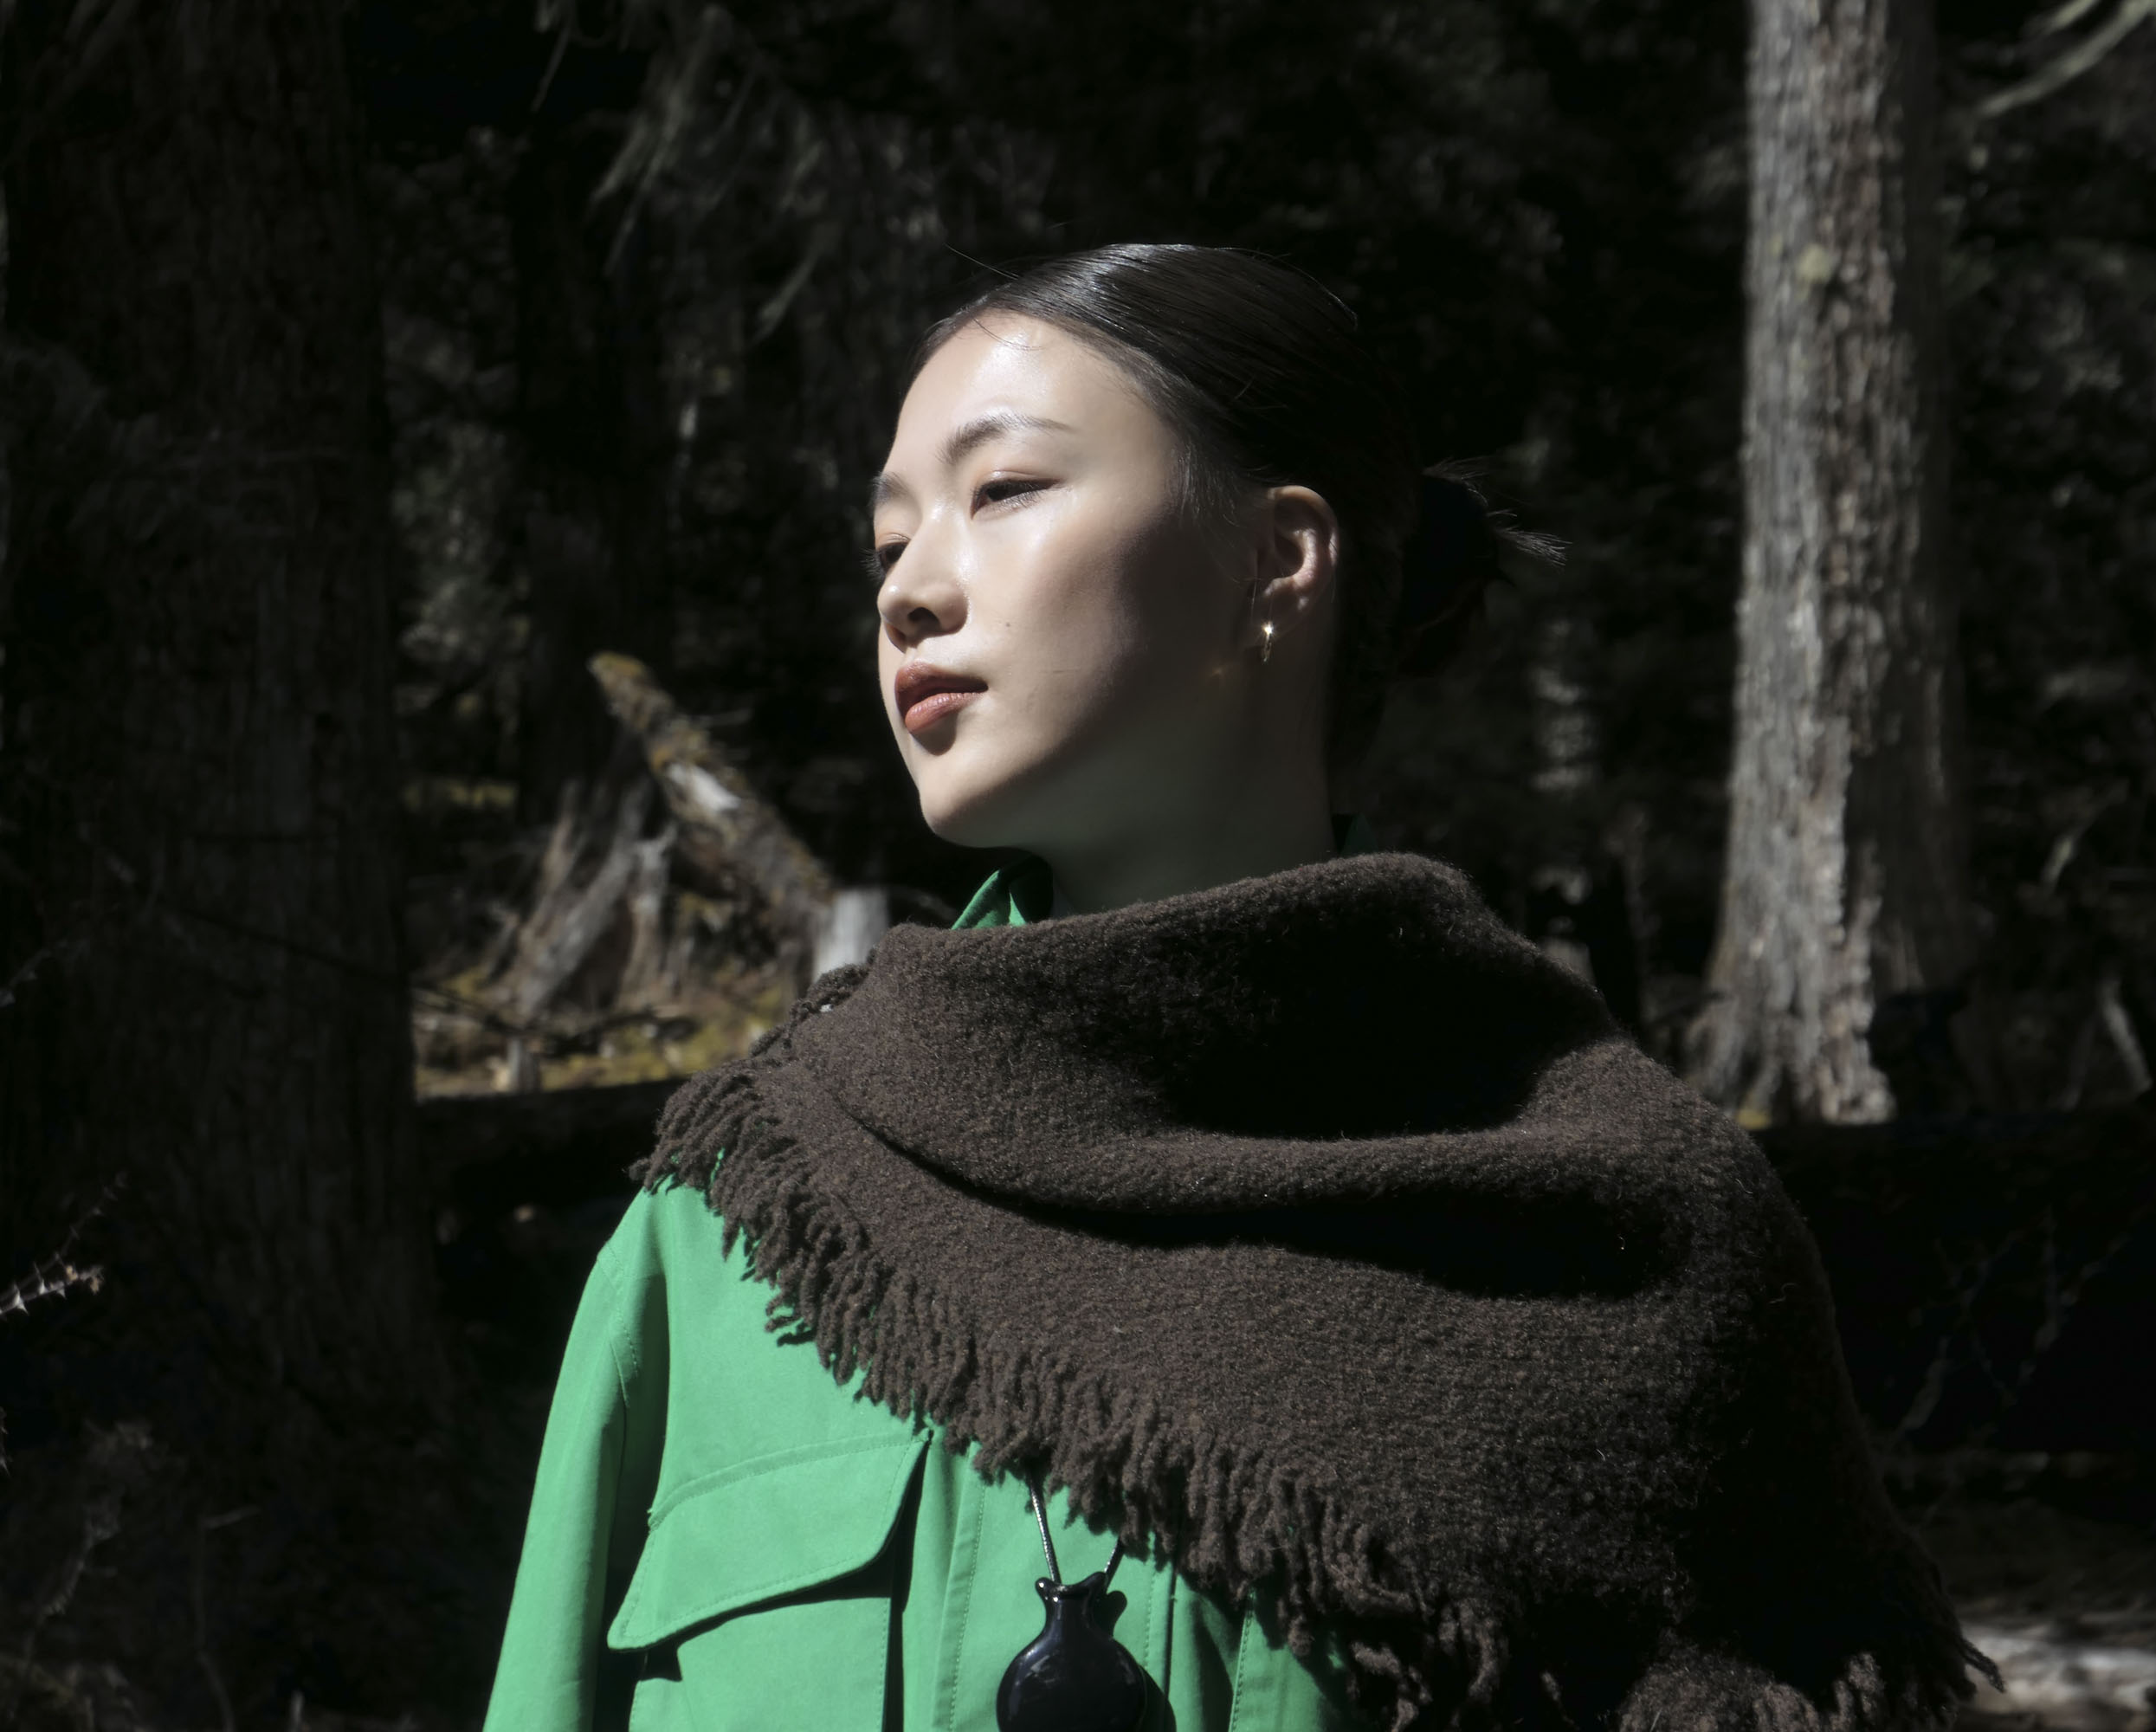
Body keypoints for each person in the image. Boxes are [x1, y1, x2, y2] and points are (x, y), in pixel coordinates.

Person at [482, 243, 1979, 1732]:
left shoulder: (1632, 1235)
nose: (913, 593)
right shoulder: (748, 1210)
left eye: (1002, 493)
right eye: (886, 544)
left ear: (1280, 559)